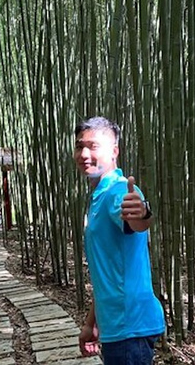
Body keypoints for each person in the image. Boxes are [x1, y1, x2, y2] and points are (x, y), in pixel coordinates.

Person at [74, 116, 165, 364]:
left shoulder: (119, 190)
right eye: (79, 145)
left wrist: (143, 214)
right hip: (117, 326)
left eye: (93, 146)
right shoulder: (98, 196)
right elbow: (108, 275)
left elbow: (136, 223)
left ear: (114, 151)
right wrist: (92, 323)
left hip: (130, 327)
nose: (83, 153)